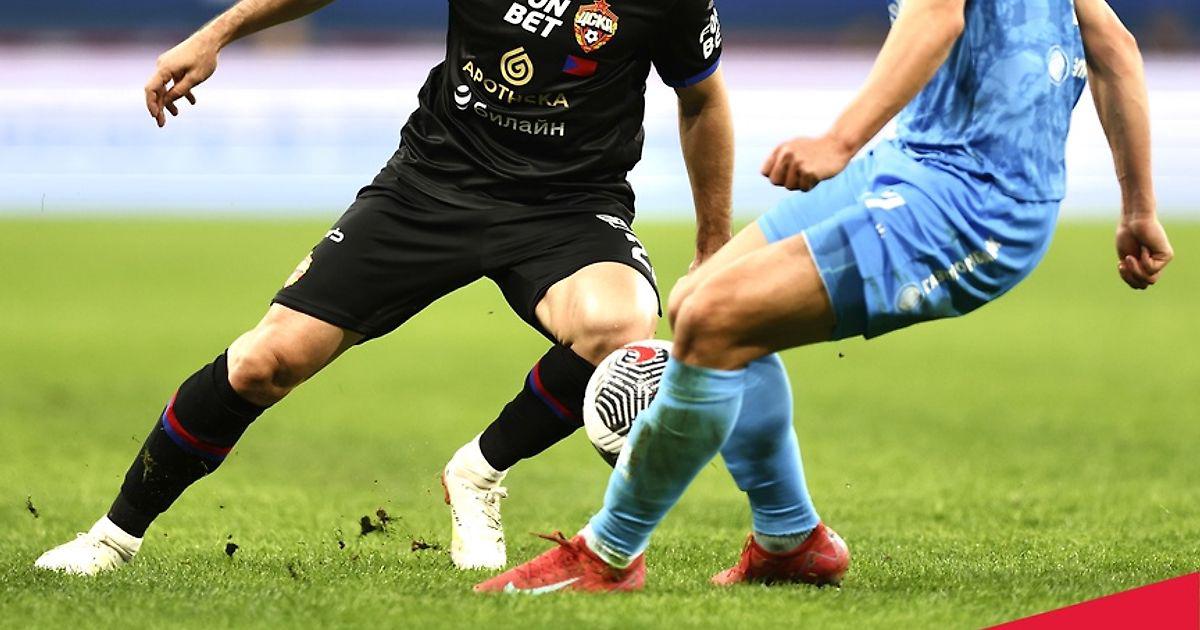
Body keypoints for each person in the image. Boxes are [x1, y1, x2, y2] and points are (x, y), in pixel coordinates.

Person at [478, 0, 1174, 592]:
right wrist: (1139, 208)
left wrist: (838, 141)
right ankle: (789, 541)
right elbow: (1112, 44)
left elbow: (938, 17)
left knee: (716, 321)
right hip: (913, 162)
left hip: (977, 203)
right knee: (697, 300)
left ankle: (608, 553)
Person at [33, 0, 733, 575]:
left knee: (621, 323)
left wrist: (711, 248)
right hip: (430, 187)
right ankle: (111, 539)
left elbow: (700, 99)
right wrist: (217, 32)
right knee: (262, 363)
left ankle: (478, 472)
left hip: (569, 208)